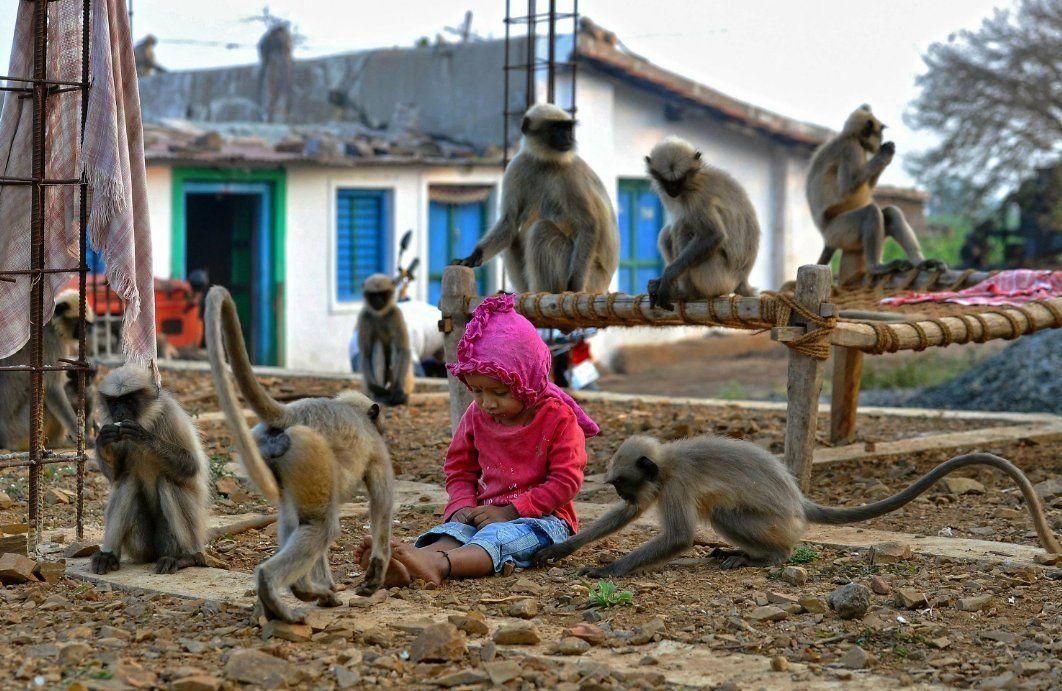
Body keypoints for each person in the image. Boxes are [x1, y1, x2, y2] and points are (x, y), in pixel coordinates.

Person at [354, 294, 600, 586]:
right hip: (484, 512)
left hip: (543, 520)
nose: (487, 403)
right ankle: (407, 566)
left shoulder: (558, 418)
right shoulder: (476, 415)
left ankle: (439, 565)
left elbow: (565, 481)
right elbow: (459, 468)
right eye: (477, 391)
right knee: (453, 533)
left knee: (497, 538)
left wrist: (511, 511)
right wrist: (462, 504)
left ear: (529, 380)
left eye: (499, 392)